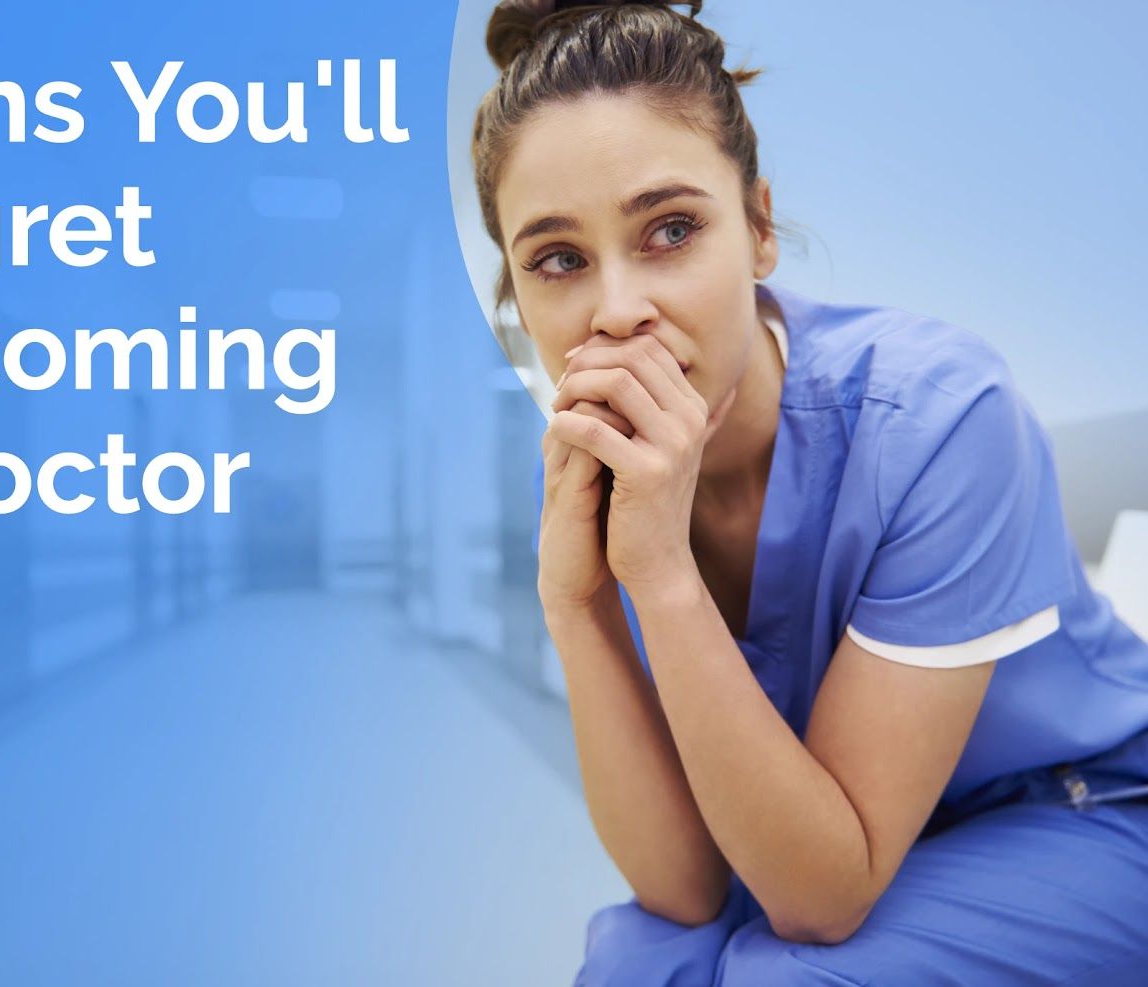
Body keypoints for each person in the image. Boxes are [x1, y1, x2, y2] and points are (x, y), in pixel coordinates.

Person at [469, 2, 1148, 983]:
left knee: (781, 975)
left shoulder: (939, 420)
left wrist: (658, 574)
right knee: (637, 959)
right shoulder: (607, 467)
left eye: (669, 230)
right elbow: (685, 888)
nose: (617, 313)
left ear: (759, 229)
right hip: (844, 838)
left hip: (1076, 812)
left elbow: (820, 901)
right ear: (520, 296)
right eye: (560, 260)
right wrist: (574, 606)